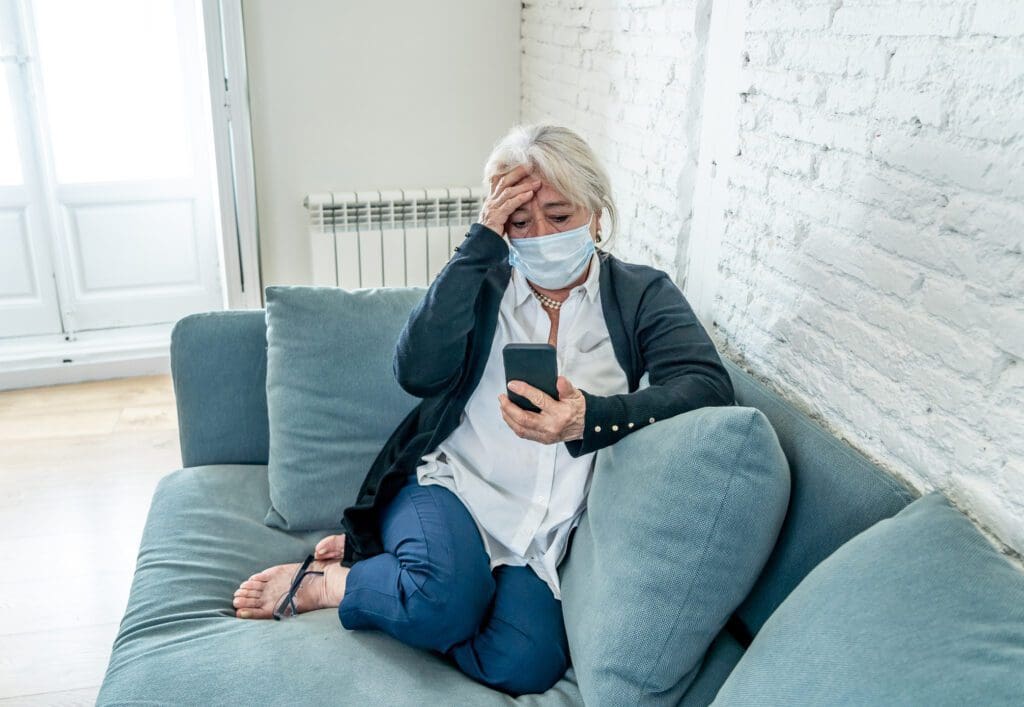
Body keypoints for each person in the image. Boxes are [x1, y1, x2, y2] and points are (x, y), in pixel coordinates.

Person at [231, 123, 735, 696]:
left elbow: (707, 386)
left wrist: (587, 418)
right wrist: (481, 244)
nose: (541, 234)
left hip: (543, 533)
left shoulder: (641, 293)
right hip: (452, 488)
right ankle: (333, 585)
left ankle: (405, 570)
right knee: (442, 601)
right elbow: (415, 371)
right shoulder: (484, 280)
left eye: (561, 215)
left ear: (597, 213)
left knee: (524, 662)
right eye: (520, 221)